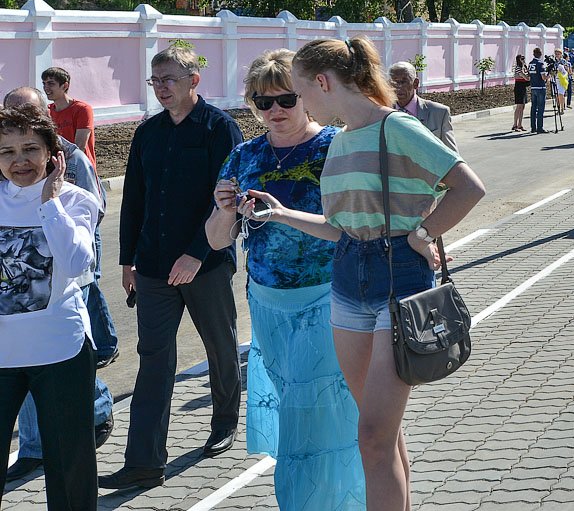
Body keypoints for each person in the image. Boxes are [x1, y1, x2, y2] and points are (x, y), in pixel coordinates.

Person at [245, 37, 485, 511]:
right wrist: (280, 214)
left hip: (399, 282)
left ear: (322, 82)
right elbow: (339, 229)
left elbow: (468, 187)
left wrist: (424, 234)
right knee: (381, 436)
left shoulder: (395, 127)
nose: (299, 104)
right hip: (348, 279)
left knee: (373, 436)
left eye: (298, 91)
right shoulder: (344, 138)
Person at [204, 49, 366, 511]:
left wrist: (282, 213)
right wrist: (224, 210)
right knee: (305, 413)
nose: (274, 111)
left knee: (311, 418)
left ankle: (319, 502)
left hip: (328, 298)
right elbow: (217, 242)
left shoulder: (336, 146)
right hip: (268, 303)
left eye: (286, 100)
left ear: (309, 96)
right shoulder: (245, 155)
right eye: (262, 102)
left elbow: (348, 228)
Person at [102, 44, 244, 490]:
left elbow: (227, 200)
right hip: (153, 266)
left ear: (193, 81)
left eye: (169, 80)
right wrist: (128, 260)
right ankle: (145, 460)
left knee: (220, 345)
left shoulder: (220, 129)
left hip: (206, 264)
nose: (161, 88)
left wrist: (197, 252)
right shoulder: (148, 133)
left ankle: (224, 422)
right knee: (154, 359)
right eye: (155, 80)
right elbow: (136, 202)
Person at [3, 88, 115, 486]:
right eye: (8, 152)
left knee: (70, 468)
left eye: (30, 149)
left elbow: (76, 264)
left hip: (59, 352)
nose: (20, 161)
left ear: (53, 154)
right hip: (2, 355)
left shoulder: (74, 200)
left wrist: (50, 204)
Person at [389, 61, 456, 152]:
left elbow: (452, 155)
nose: (398, 87)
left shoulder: (439, 113)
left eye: (403, 82)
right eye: (394, 82)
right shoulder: (382, 114)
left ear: (415, 83)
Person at [41, 67, 97, 170]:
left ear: (65, 86)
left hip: (80, 168)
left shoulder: (82, 109)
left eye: (51, 84)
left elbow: (80, 145)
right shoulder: (47, 111)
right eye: (44, 83)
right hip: (57, 168)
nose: (46, 88)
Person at [528, 47, 548, 134]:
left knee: (533, 108)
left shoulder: (530, 64)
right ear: (540, 54)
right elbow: (543, 77)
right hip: (540, 87)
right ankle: (540, 127)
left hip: (533, 87)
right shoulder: (540, 64)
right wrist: (548, 76)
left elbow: (529, 76)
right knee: (540, 108)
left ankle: (533, 127)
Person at [511, 54, 529, 133]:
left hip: (523, 87)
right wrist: (528, 77)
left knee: (523, 106)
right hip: (519, 87)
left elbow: (527, 75)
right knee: (519, 106)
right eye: (522, 59)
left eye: (524, 58)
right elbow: (525, 77)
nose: (523, 60)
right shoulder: (518, 68)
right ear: (518, 59)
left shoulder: (524, 67)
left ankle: (520, 124)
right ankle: (515, 124)